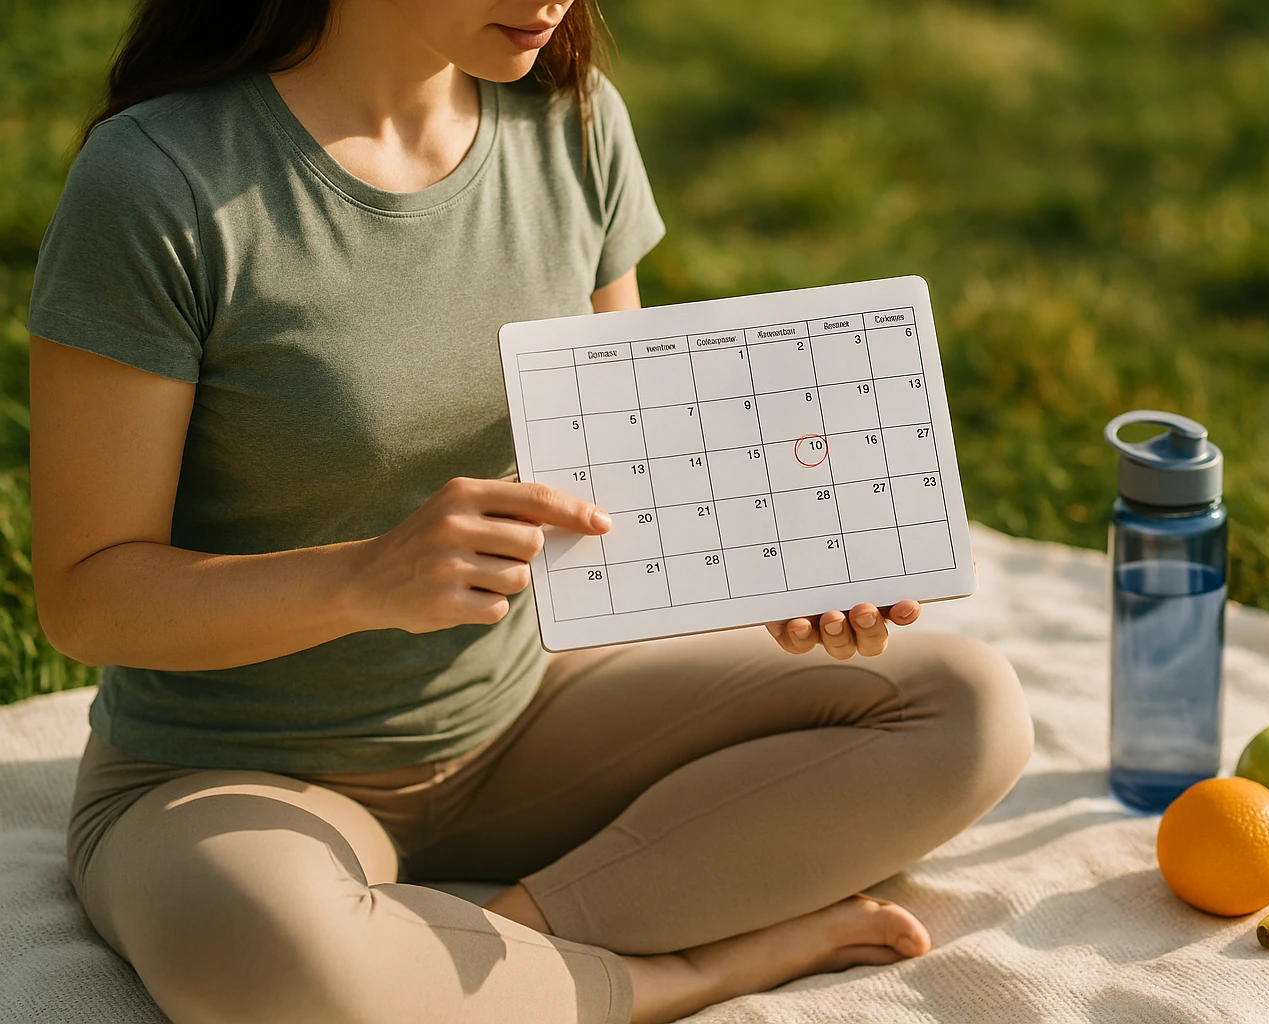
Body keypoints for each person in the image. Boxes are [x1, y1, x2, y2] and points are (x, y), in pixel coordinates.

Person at [26, 1, 1033, 1021]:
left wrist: (759, 571)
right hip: (225, 770)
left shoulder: (574, 122)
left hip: (524, 716)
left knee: (967, 703)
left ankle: (507, 944)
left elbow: (627, 482)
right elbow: (83, 597)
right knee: (279, 964)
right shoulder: (160, 180)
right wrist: (363, 577)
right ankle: (678, 974)